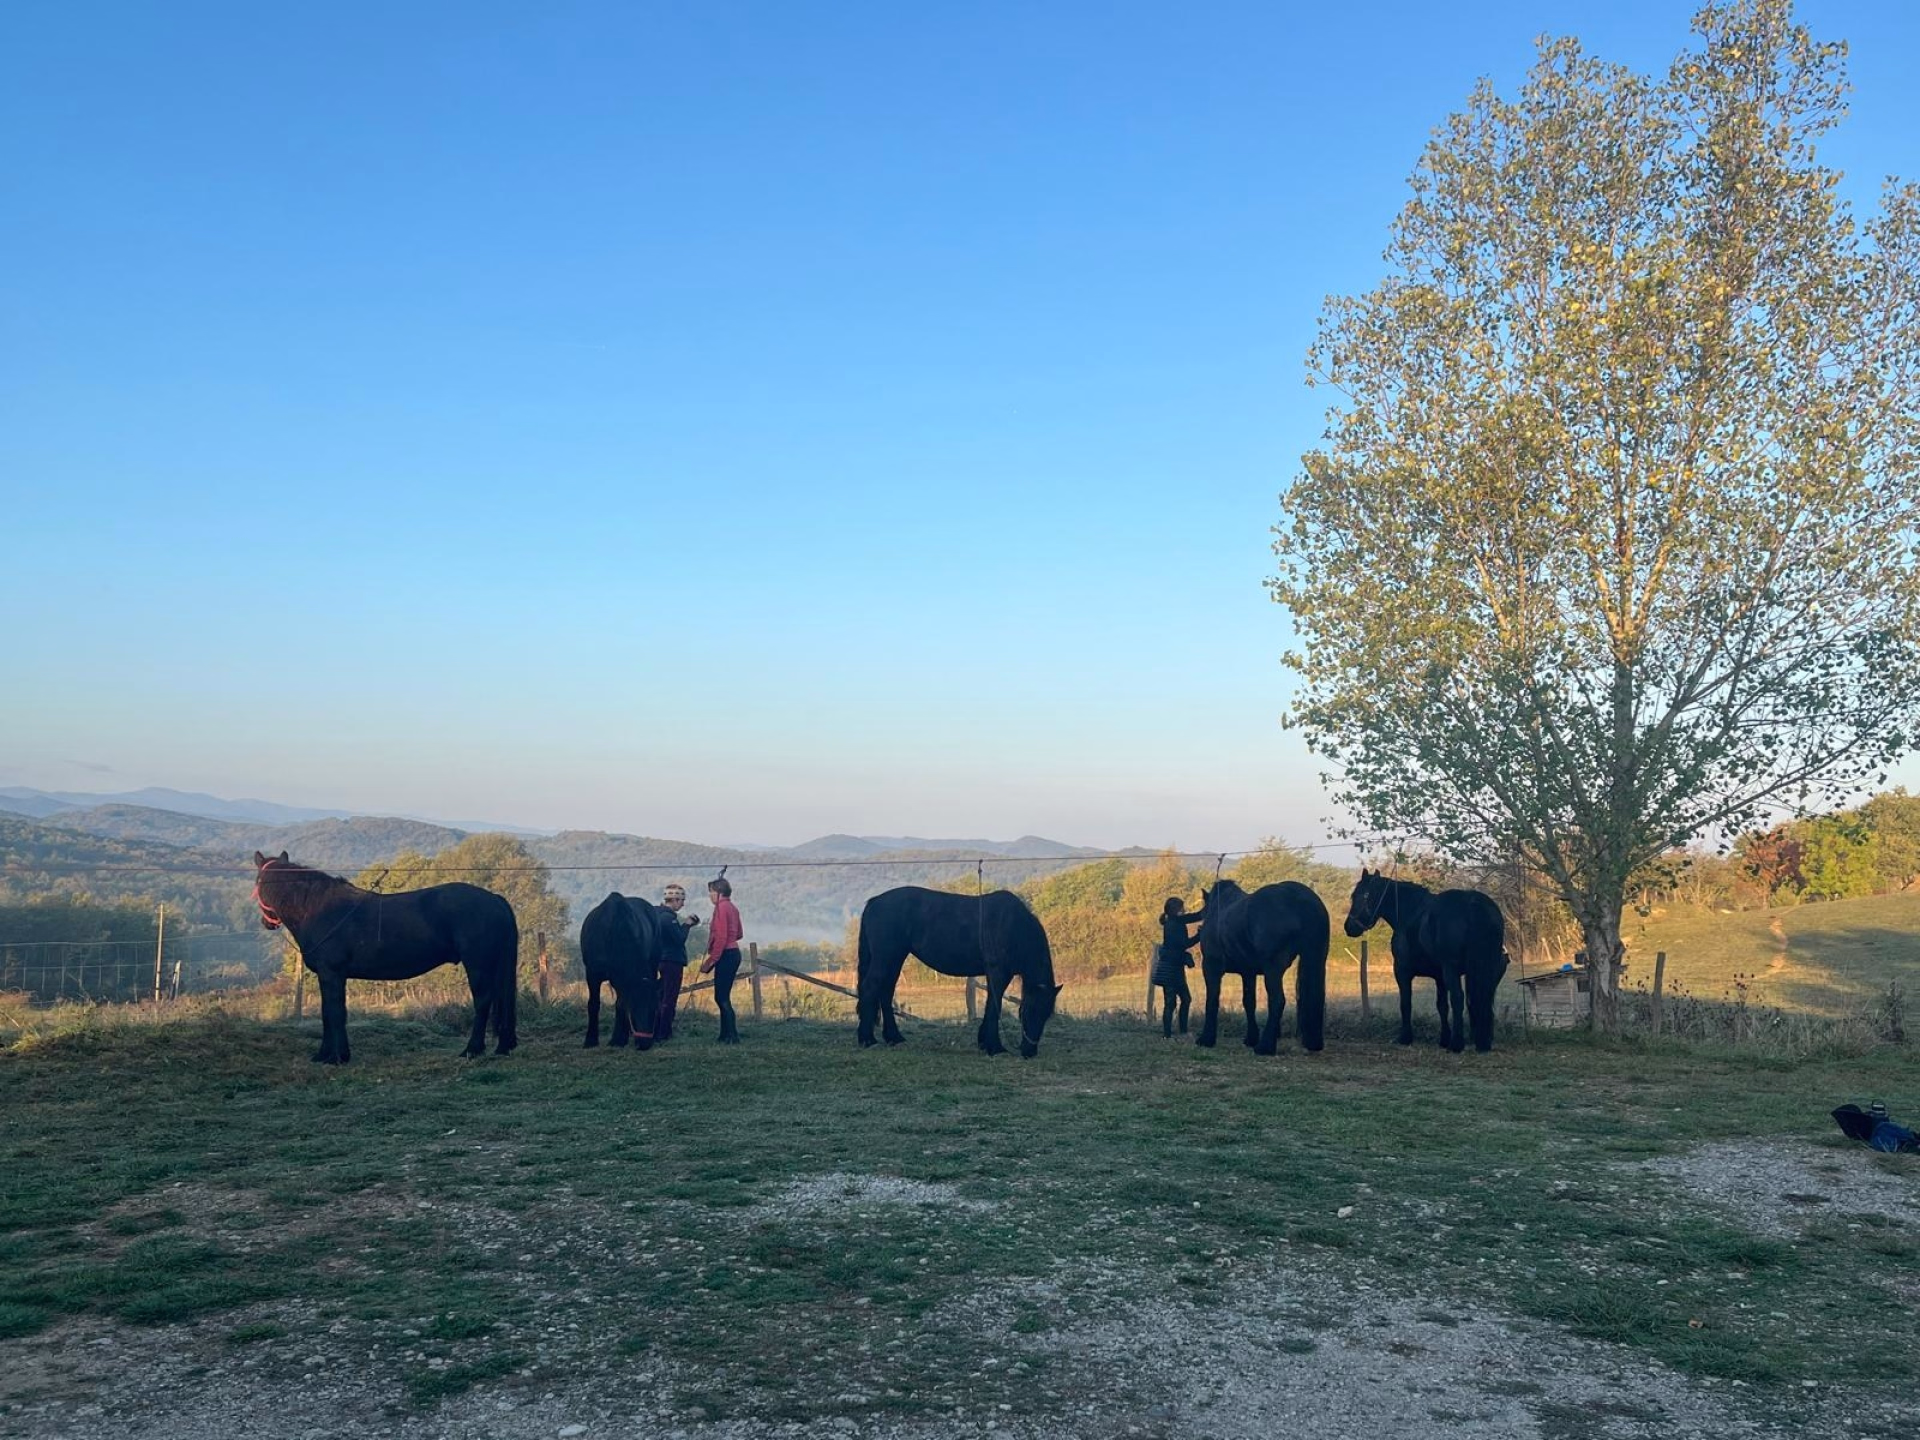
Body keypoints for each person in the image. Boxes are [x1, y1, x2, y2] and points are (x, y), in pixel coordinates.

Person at [1152, 896, 1205, 1037]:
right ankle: (1168, 1035)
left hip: (1174, 968)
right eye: (1181, 907)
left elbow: (1196, 916)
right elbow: (1184, 944)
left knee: (1184, 999)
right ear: (1175, 910)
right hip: (1170, 969)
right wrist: (1199, 935)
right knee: (1171, 1003)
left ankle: (1180, 1031)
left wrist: (1207, 909)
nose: (1184, 910)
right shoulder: (1173, 924)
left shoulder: (1174, 921)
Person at [654, 883, 699, 1041]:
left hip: (660, 959)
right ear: (673, 900)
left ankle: (656, 1028)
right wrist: (687, 925)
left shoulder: (656, 915)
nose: (682, 904)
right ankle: (664, 1032)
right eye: (681, 900)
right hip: (672, 961)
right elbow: (678, 939)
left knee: (660, 995)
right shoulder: (668, 918)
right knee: (669, 997)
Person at [702, 875, 744, 1044]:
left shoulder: (720, 908)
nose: (710, 896)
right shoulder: (733, 908)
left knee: (721, 997)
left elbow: (721, 937)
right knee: (723, 996)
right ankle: (725, 1035)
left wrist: (712, 960)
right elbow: (739, 933)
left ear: (719, 892)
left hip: (725, 954)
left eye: (711, 892)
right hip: (734, 953)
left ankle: (731, 1035)